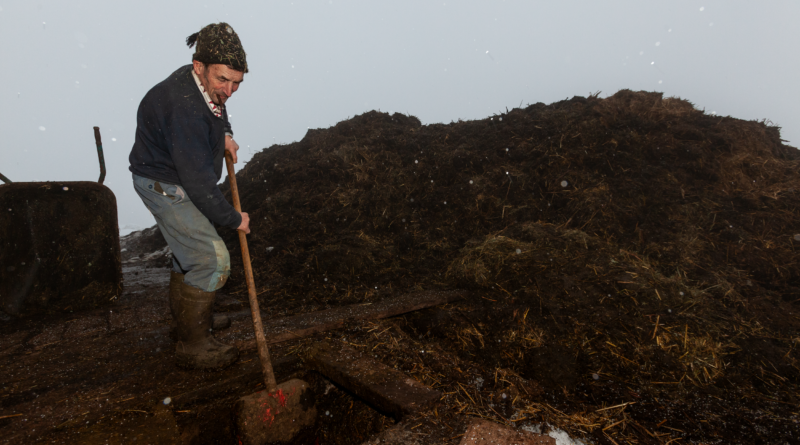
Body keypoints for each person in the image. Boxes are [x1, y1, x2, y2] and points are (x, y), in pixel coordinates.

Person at [128, 22, 250, 370]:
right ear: (199, 66)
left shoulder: (201, 84)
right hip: (164, 184)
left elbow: (217, 108)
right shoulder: (183, 108)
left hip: (176, 175)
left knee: (189, 254)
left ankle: (190, 322)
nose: (229, 90)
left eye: (237, 82)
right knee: (211, 260)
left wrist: (225, 133)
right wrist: (234, 219)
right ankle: (193, 345)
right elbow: (198, 186)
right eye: (223, 80)